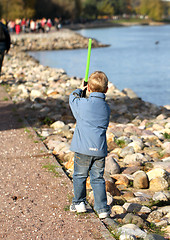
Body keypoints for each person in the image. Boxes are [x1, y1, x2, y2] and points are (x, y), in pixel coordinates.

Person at [69, 71, 111, 219]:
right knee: (97, 178)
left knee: (79, 176)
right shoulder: (106, 108)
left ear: (89, 89)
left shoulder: (82, 104)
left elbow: (72, 99)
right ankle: (102, 208)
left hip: (82, 149)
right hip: (99, 150)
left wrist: (80, 90)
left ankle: (79, 202)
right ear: (106, 90)